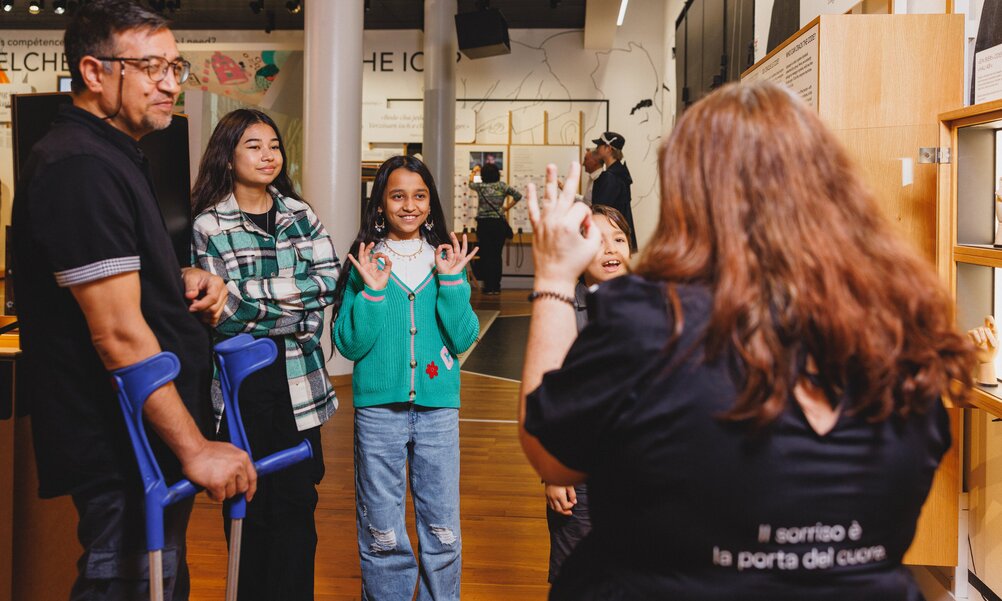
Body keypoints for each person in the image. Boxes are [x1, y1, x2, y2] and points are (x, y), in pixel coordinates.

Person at [518, 82, 976, 600]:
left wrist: (554, 278)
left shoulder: (652, 322)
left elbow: (551, 454)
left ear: (691, 194)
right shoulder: (900, 326)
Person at [10, 2, 257, 599]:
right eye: (151, 68)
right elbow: (116, 333)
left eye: (176, 66)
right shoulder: (79, 166)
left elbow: (112, 282)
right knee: (126, 583)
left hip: (141, 438)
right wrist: (195, 448)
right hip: (119, 445)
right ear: (94, 73)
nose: (171, 83)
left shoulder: (113, 154)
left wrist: (177, 280)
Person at [189, 108, 340, 601]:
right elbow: (219, 315)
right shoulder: (208, 225)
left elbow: (327, 283)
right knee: (249, 509)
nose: (267, 154)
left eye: (273, 144)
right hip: (243, 388)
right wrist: (288, 307)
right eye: (253, 145)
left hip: (301, 386)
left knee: (298, 505)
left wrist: (246, 294)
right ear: (228, 157)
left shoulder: (302, 213)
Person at [331, 155, 479, 601]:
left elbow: (463, 337)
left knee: (443, 528)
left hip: (438, 412)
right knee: (382, 528)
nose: (409, 205)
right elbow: (349, 344)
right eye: (397, 196)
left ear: (431, 204)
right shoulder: (365, 262)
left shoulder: (445, 261)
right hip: (378, 414)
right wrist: (373, 292)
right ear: (380, 205)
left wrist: (453, 284)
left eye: (419, 196)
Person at [544, 204, 632, 583]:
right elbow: (549, 398)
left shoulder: (653, 307)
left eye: (619, 239)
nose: (610, 249)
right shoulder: (563, 310)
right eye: (597, 241)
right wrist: (552, 473)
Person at [469, 162, 521, 294]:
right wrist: (505, 208)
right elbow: (518, 195)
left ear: (484, 175)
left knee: (486, 255)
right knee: (497, 256)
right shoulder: (502, 186)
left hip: (484, 224)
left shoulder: (481, 187)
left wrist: (474, 171)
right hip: (498, 223)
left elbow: (470, 183)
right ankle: (496, 287)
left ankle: (488, 287)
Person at [590, 131, 637, 249]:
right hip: (619, 233)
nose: (596, 148)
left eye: (599, 145)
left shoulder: (610, 177)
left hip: (609, 235)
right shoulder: (621, 173)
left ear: (608, 148)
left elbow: (600, 209)